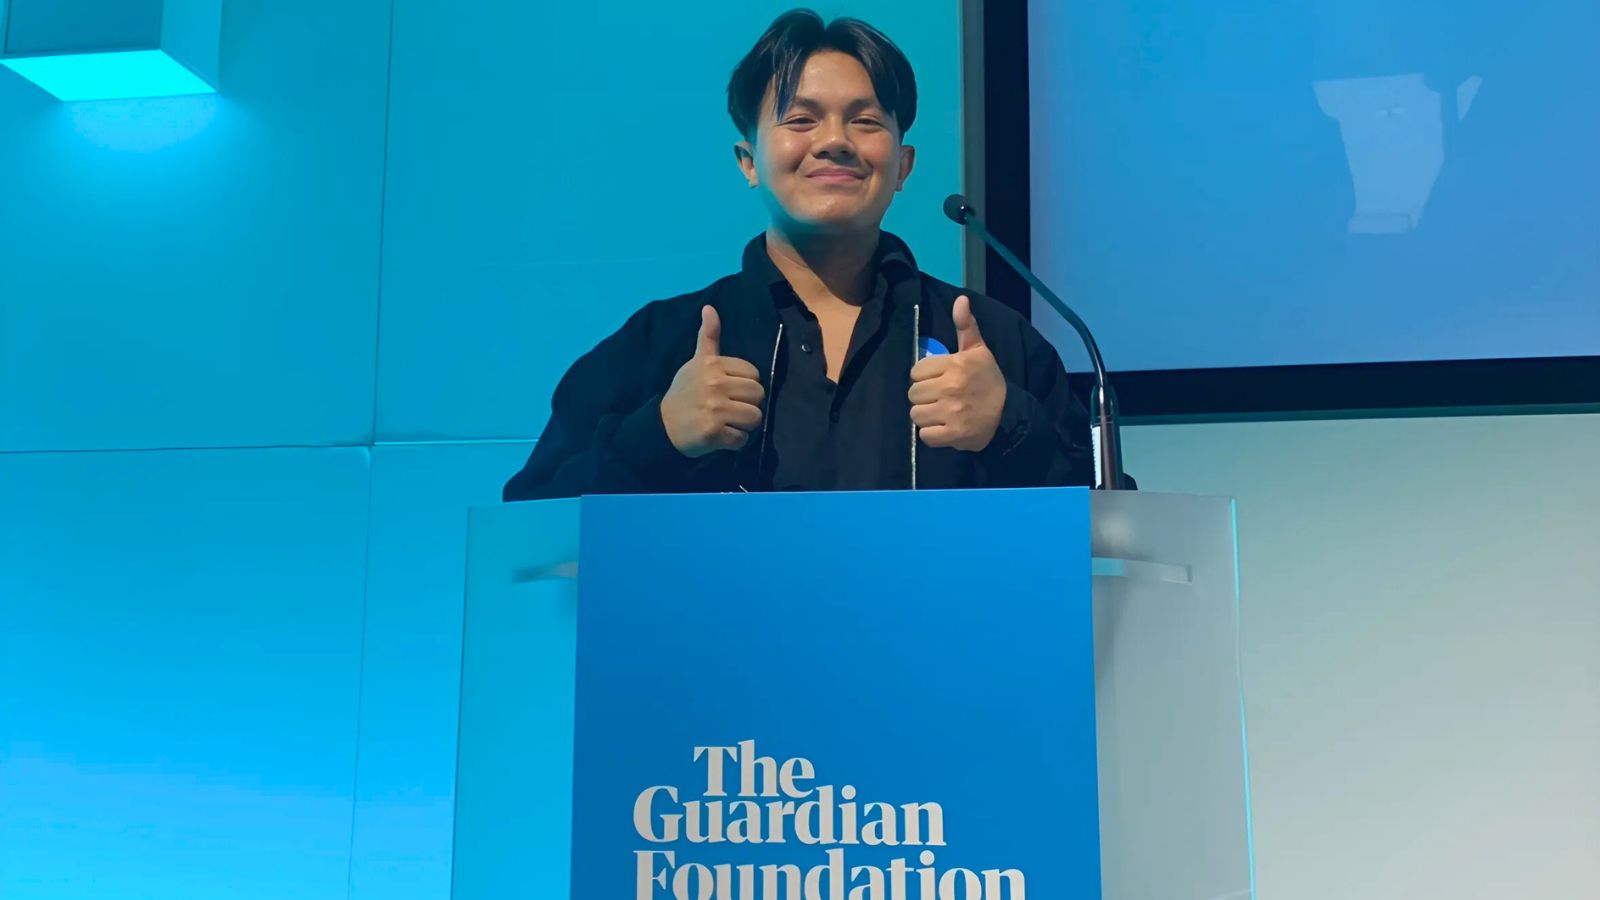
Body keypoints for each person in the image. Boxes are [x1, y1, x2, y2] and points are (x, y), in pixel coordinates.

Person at [503, 9, 1094, 501]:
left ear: (903, 167)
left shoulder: (994, 344)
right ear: (749, 161)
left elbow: (1108, 530)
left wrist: (1010, 428)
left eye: (864, 121)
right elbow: (530, 531)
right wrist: (657, 436)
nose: (834, 140)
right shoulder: (663, 341)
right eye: (801, 119)